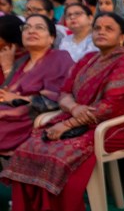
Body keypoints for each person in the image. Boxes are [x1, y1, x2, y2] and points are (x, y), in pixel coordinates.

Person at [1, 13, 124, 211]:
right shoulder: (88, 59)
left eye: (109, 28)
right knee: (30, 146)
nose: (101, 31)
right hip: (77, 121)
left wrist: (69, 123)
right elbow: (65, 92)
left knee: (62, 152)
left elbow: (112, 107)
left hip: (110, 129)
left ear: (123, 36)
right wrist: (74, 107)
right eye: (97, 27)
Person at [0, 14, 74, 155]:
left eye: (39, 28)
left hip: (30, 118)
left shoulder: (59, 58)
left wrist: (17, 99)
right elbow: (6, 91)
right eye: (26, 28)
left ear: (51, 38)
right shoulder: (21, 61)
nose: (31, 31)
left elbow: (56, 100)